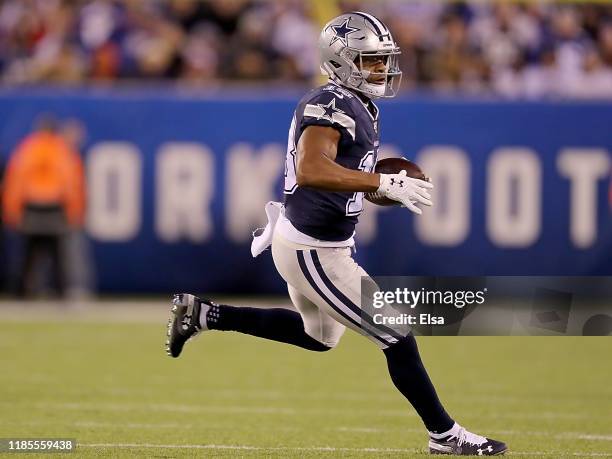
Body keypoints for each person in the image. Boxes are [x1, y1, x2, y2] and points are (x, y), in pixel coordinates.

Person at [166, 12, 507, 456]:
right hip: (314, 250)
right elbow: (311, 169)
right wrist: (380, 183)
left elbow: (341, 174)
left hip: (314, 242)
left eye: (383, 60)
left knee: (318, 337)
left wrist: (375, 187)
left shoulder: (358, 103)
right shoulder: (330, 104)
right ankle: (445, 435)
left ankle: (205, 315)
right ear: (342, 60)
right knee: (397, 334)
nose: (382, 69)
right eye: (370, 60)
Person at [1, 115, 85, 297]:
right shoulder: (62, 150)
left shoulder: (27, 149)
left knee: (29, 254)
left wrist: (12, 212)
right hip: (55, 208)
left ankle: (22, 292)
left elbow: (15, 182)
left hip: (31, 207)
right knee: (57, 254)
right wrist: (74, 212)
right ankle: (61, 292)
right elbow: (71, 184)